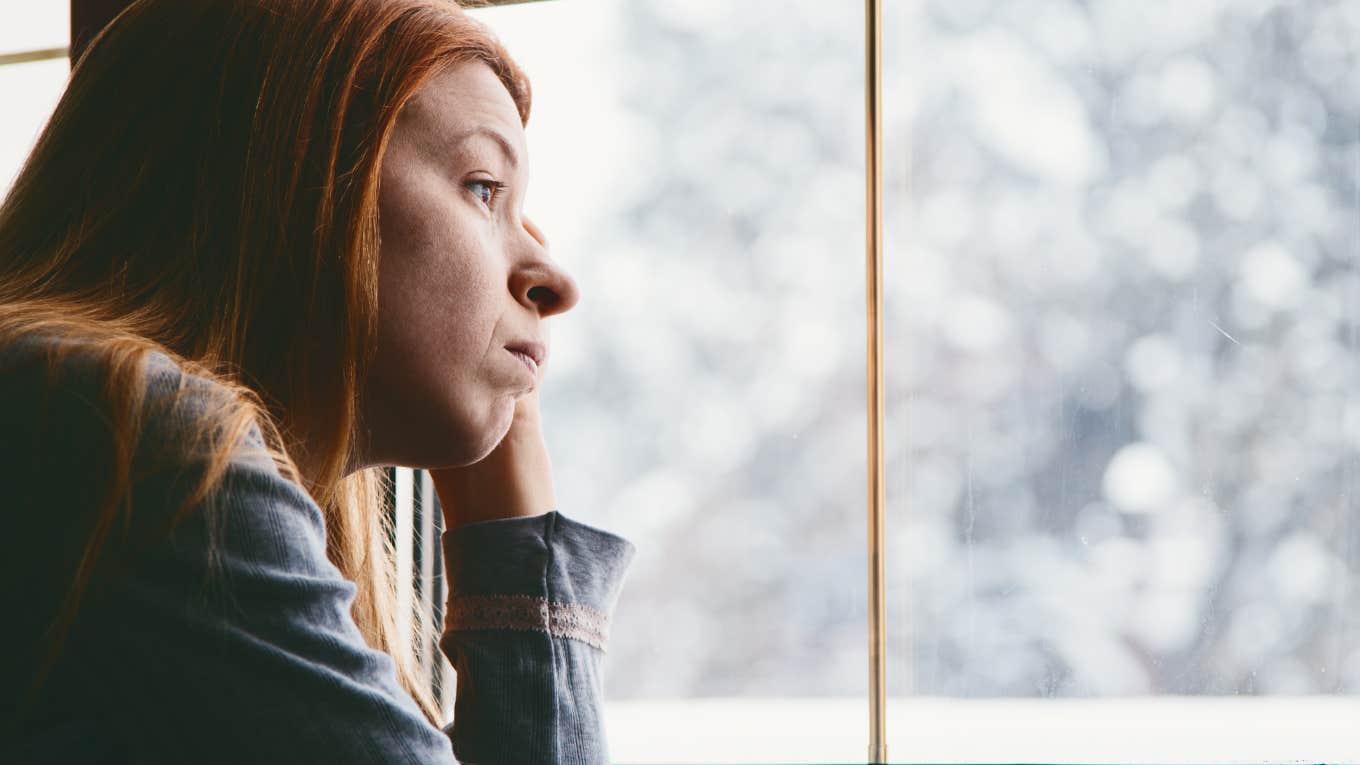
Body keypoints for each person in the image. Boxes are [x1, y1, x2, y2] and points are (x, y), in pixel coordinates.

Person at [0, 0, 636, 763]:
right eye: (483, 189)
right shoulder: (139, 438)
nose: (553, 278)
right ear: (293, 180)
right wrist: (518, 543)